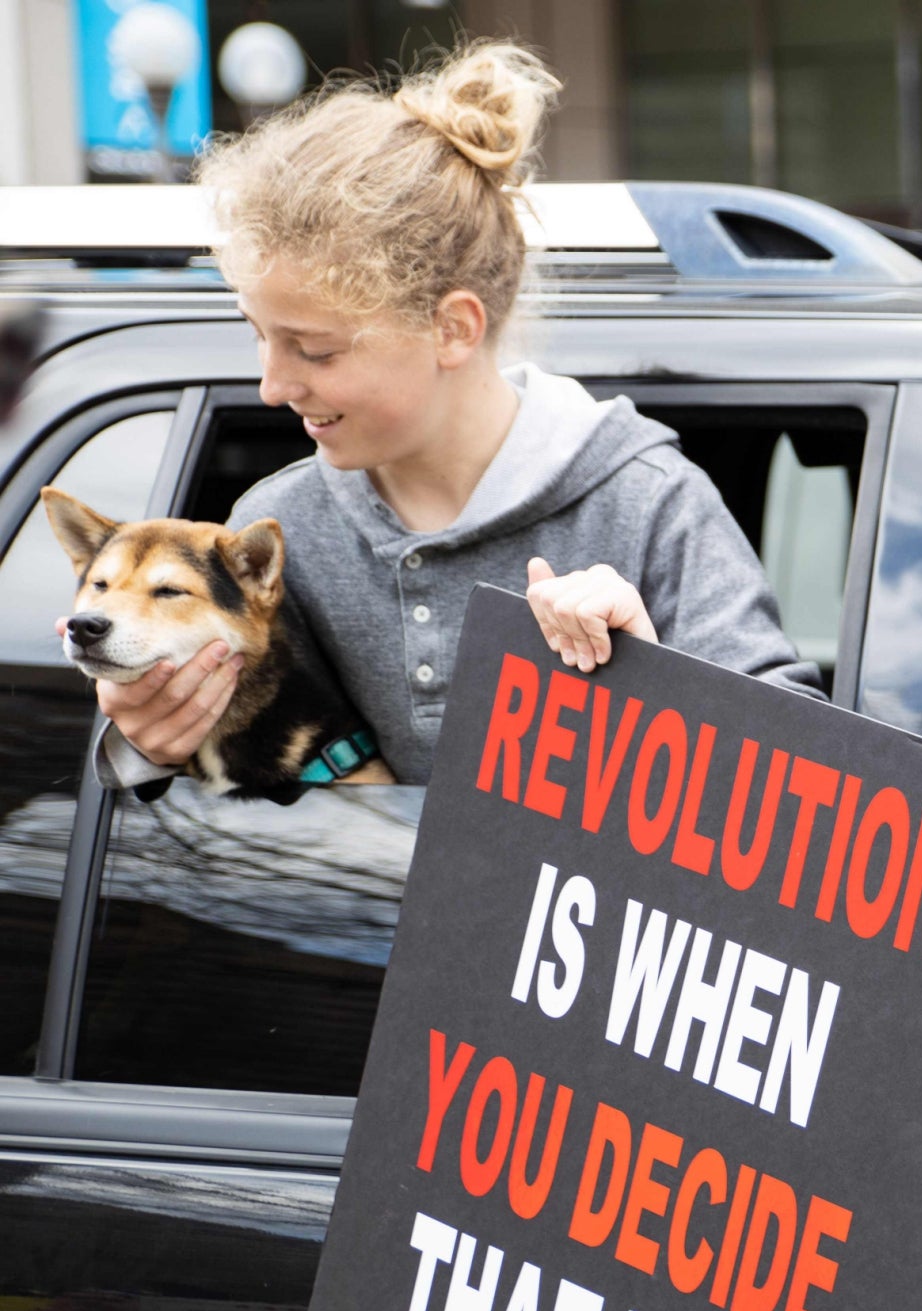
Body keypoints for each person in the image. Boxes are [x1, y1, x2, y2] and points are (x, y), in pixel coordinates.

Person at [84, 40, 816, 790]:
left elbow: (806, 792)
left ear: (454, 329)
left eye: (315, 349)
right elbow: (227, 807)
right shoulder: (279, 525)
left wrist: (654, 680)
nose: (272, 385)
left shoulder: (649, 503)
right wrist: (151, 745)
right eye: (261, 336)